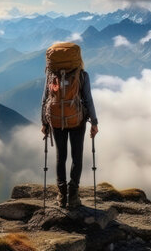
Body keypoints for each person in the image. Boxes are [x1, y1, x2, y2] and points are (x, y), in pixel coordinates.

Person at [41, 43, 98, 209]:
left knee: (61, 157)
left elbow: (45, 99)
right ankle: (73, 195)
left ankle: (61, 195)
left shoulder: (52, 76)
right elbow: (88, 99)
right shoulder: (82, 75)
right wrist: (94, 122)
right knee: (77, 156)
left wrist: (44, 122)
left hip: (57, 121)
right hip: (77, 121)